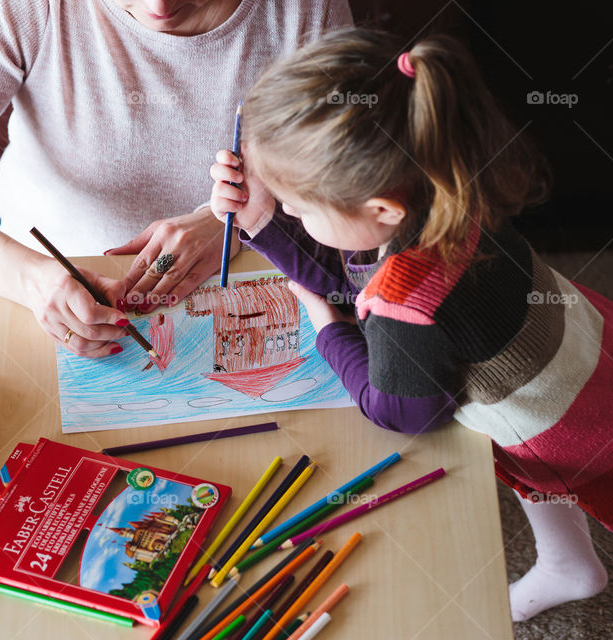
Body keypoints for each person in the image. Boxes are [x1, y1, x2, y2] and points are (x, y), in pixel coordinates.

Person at [210, 29, 611, 622]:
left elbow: (403, 411)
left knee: (551, 476)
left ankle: (566, 562)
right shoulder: (446, 186)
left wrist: (327, 329)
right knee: (541, 484)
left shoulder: (407, 309)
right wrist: (265, 218)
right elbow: (357, 269)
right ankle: (567, 562)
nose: (291, 212)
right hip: (583, 355)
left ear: (381, 211)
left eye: (299, 206)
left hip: (572, 425)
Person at [0, 0, 352, 358]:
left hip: (260, 281)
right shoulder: (16, 7)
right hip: (30, 285)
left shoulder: (304, 9)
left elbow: (351, 169)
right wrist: (33, 280)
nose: (159, 6)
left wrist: (232, 219)